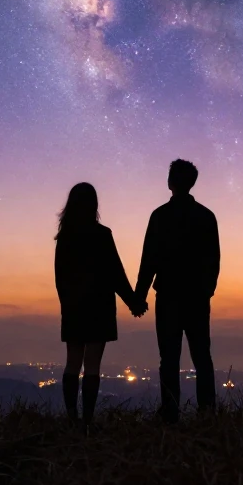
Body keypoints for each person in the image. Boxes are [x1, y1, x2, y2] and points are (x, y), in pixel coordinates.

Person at [54, 182, 146, 429]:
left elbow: (60, 277)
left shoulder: (65, 238)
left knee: (73, 362)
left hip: (74, 308)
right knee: (92, 364)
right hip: (99, 307)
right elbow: (116, 273)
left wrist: (67, 305)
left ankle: (72, 417)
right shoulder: (102, 235)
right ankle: (87, 420)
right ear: (94, 204)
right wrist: (134, 302)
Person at [134, 159, 220, 423]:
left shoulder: (160, 216)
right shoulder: (206, 216)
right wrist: (206, 291)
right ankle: (207, 411)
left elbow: (149, 259)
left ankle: (170, 412)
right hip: (196, 298)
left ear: (170, 182)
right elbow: (213, 261)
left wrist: (139, 296)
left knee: (169, 357)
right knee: (201, 356)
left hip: (169, 297)